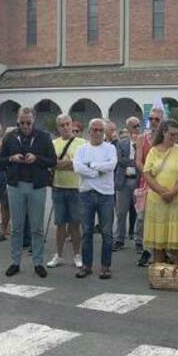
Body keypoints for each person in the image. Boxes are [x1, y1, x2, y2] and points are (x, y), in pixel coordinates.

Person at [0, 107, 56, 278]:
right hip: (16, 186)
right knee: (17, 227)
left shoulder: (44, 137)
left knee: (37, 228)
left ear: (34, 120)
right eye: (22, 122)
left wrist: (37, 159)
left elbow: (53, 160)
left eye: (28, 122)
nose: (25, 126)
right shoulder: (9, 137)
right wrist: (11, 158)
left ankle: (38, 262)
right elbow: (0, 162)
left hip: (36, 187)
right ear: (18, 120)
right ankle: (15, 262)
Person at [73, 118, 118, 279]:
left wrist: (91, 165)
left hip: (106, 195)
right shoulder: (81, 149)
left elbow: (111, 165)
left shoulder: (111, 148)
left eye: (100, 130)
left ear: (104, 132)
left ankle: (105, 266)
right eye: (94, 129)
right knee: (86, 232)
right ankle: (86, 265)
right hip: (86, 194)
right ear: (89, 131)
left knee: (107, 233)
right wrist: (97, 170)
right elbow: (77, 167)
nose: (97, 132)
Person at [142, 118, 178, 265]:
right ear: (163, 133)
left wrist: (172, 193)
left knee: (175, 239)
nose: (175, 138)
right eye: (172, 135)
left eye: (177, 135)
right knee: (159, 240)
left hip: (177, 200)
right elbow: (147, 173)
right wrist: (161, 192)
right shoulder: (152, 151)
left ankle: (176, 273)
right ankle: (160, 272)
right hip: (157, 201)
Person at [48, 114, 85, 269]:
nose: (66, 127)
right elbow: (51, 163)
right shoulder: (53, 143)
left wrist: (62, 163)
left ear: (72, 124)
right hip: (58, 186)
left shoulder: (82, 143)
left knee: (75, 224)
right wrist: (68, 163)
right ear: (58, 127)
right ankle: (59, 255)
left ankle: (77, 254)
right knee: (60, 224)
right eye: (62, 125)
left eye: (68, 124)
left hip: (76, 188)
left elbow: (79, 164)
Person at [135, 105, 164, 266]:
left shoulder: (166, 139)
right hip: (146, 182)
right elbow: (138, 160)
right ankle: (146, 249)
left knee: (159, 218)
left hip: (162, 182)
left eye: (157, 119)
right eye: (151, 119)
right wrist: (147, 173)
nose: (153, 122)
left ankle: (158, 251)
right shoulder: (142, 138)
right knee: (143, 217)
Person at [113, 116, 141, 252]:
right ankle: (119, 239)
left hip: (138, 181)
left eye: (138, 126)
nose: (137, 128)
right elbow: (119, 160)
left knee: (140, 213)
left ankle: (139, 240)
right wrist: (135, 162)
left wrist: (136, 150)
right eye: (134, 126)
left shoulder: (142, 142)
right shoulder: (121, 143)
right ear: (128, 128)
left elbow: (145, 159)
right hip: (123, 182)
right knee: (121, 212)